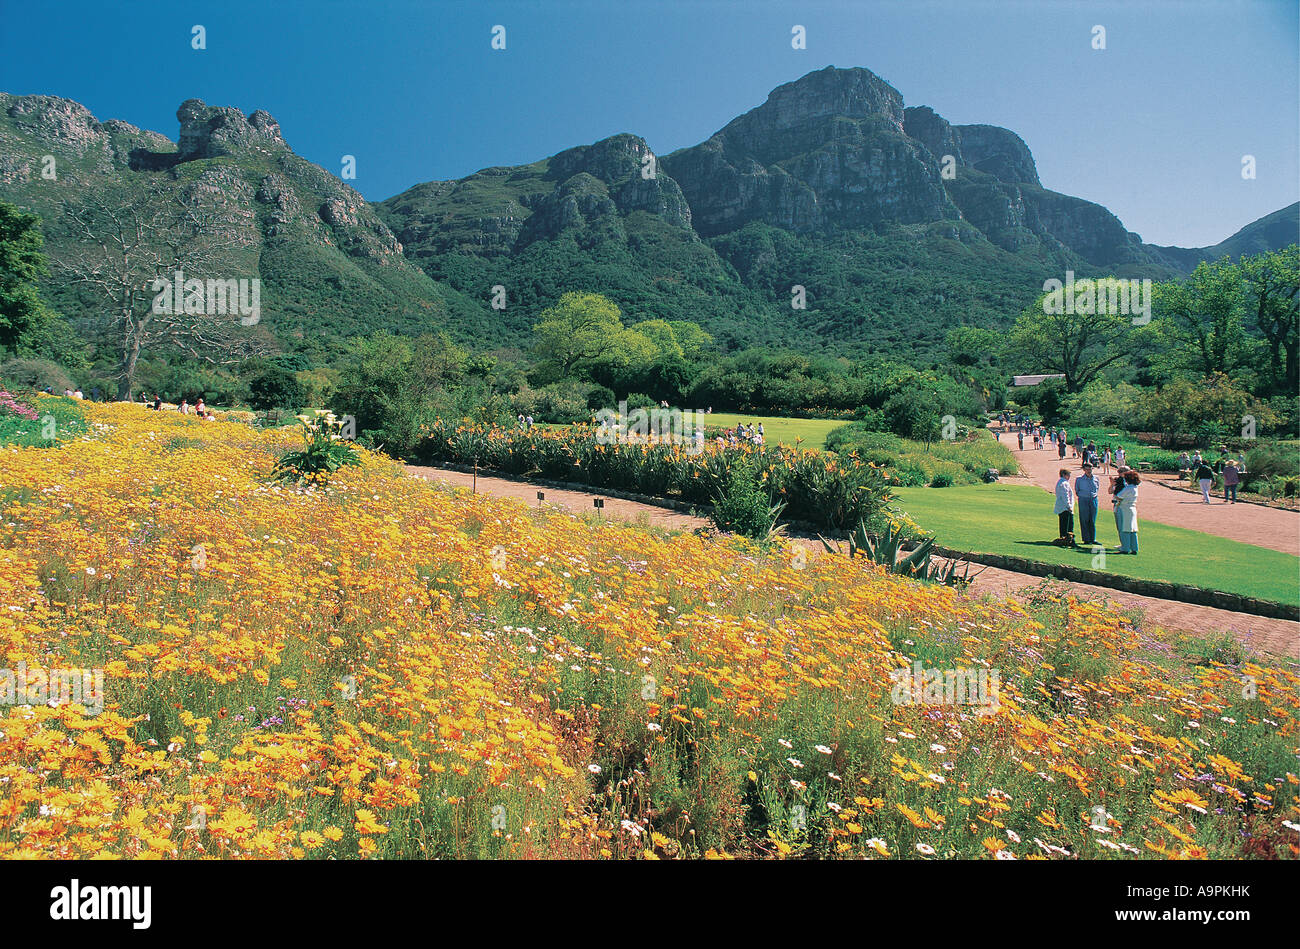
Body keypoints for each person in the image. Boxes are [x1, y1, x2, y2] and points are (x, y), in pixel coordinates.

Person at [1115, 471, 1141, 554]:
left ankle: (1125, 548)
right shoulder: (1135, 487)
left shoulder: (1128, 488)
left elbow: (1119, 496)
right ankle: (1134, 548)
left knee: (1124, 528)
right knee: (1132, 529)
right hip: (1132, 508)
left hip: (1124, 508)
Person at [1076, 463, 1100, 547]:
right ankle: (1086, 539)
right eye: (1087, 469)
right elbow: (1077, 490)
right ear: (1084, 470)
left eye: (1090, 469)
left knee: (1092, 519)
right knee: (1084, 519)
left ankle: (1093, 538)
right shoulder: (1079, 479)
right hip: (1083, 499)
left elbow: (1097, 489)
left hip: (1093, 499)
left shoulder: (1096, 478)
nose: (1089, 471)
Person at [1054, 468, 1075, 543]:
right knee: (1067, 525)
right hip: (1065, 508)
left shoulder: (1062, 482)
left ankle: (1065, 539)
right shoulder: (1064, 483)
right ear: (1064, 475)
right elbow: (1065, 496)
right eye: (1068, 475)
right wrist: (1069, 506)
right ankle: (1066, 539)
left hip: (1063, 507)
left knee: (1064, 524)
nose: (1069, 476)